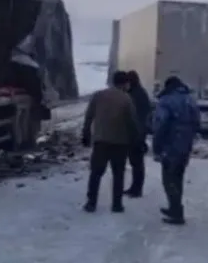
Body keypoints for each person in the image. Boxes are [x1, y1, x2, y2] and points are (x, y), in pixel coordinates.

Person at [81, 70, 140, 213]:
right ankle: (117, 204)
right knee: (118, 174)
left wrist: (86, 133)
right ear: (125, 84)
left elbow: (89, 116)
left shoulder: (98, 95)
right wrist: (135, 139)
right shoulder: (126, 99)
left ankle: (91, 202)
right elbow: (132, 121)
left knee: (96, 173)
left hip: (101, 140)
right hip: (120, 142)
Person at [151, 75, 201, 224]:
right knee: (178, 176)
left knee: (168, 178)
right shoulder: (190, 100)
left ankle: (176, 211)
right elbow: (197, 123)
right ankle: (175, 207)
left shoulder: (166, 101)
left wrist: (157, 146)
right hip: (185, 145)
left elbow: (160, 124)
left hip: (170, 145)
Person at [124, 70, 153, 197]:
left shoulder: (133, 95)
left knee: (136, 162)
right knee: (137, 162)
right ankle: (136, 187)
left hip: (135, 132)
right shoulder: (141, 93)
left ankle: (136, 188)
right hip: (139, 132)